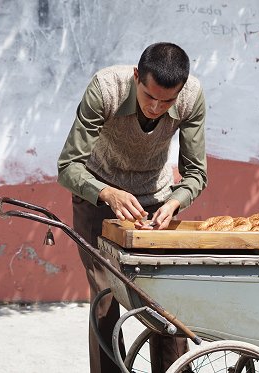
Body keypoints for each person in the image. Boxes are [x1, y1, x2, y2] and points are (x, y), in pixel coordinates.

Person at [57, 42, 207, 373]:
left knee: (164, 301)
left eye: (167, 100)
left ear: (180, 90)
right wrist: (107, 193)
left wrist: (175, 201)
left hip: (155, 199)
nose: (156, 107)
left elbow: (196, 174)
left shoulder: (192, 96)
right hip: (97, 193)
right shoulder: (105, 88)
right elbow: (68, 167)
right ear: (137, 76)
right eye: (149, 95)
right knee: (105, 299)